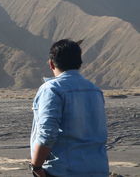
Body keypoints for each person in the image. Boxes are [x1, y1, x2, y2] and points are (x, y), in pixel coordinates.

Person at [30, 39, 109, 177]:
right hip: (98, 168)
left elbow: (47, 133)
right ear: (80, 63)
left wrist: (36, 167)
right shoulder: (95, 90)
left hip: (63, 170)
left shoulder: (52, 89)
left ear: (51, 63)